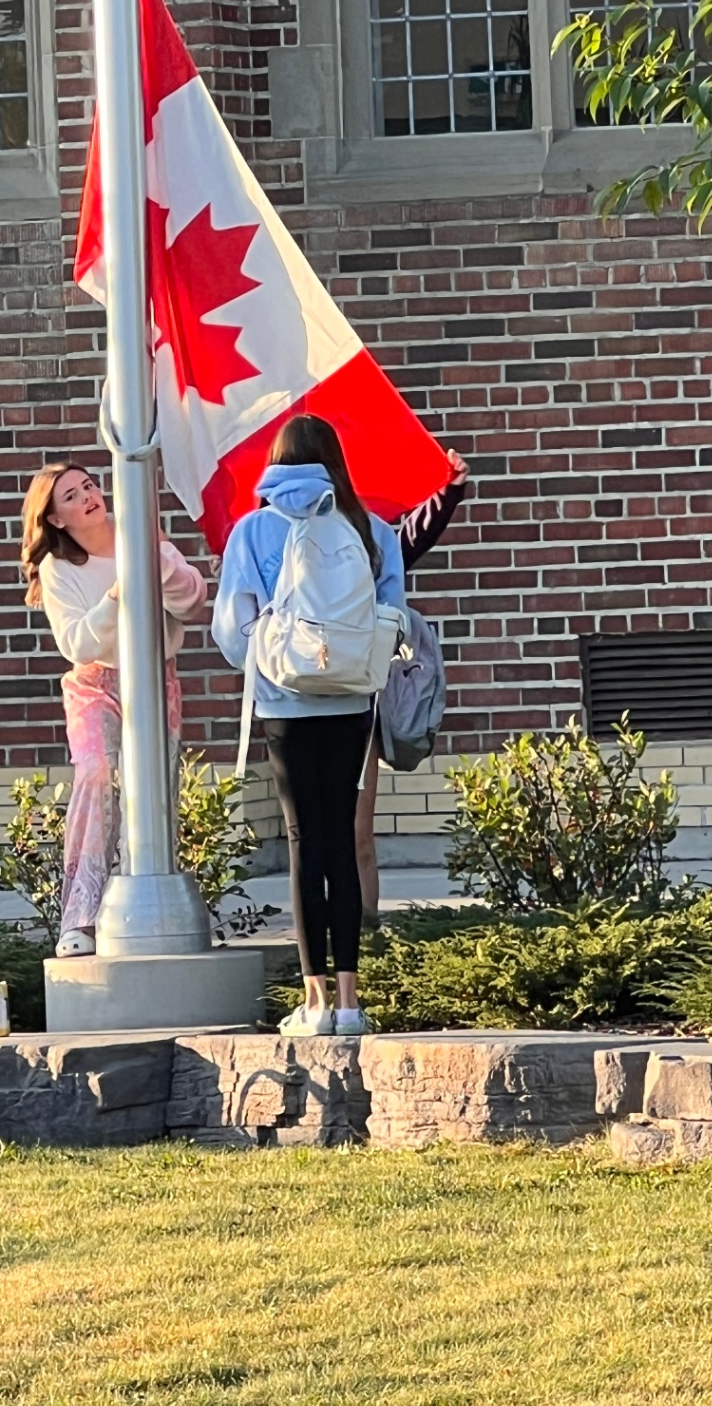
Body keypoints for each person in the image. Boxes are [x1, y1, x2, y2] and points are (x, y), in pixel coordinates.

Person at [213, 415, 405, 1036]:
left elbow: (232, 636)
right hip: (351, 701)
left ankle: (315, 1002)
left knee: (304, 844)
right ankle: (351, 1004)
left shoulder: (253, 530)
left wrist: (271, 651)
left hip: (283, 704)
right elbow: (393, 616)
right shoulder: (370, 529)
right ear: (334, 462)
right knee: (342, 841)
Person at [21, 461, 206, 959]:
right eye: (71, 496)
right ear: (56, 519)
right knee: (97, 775)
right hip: (95, 684)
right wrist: (116, 594)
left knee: (154, 792)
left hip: (153, 676)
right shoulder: (61, 567)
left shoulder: (141, 536)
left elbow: (192, 602)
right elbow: (77, 642)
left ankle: (138, 908)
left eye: (88, 486)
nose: (87, 496)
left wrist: (155, 562)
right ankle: (79, 917)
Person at [357, 448, 469, 920]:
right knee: (315, 837)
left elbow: (402, 547)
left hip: (356, 700)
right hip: (296, 707)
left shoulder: (365, 539)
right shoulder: (277, 534)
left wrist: (447, 492)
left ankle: (361, 946)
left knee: (356, 835)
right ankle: (322, 958)